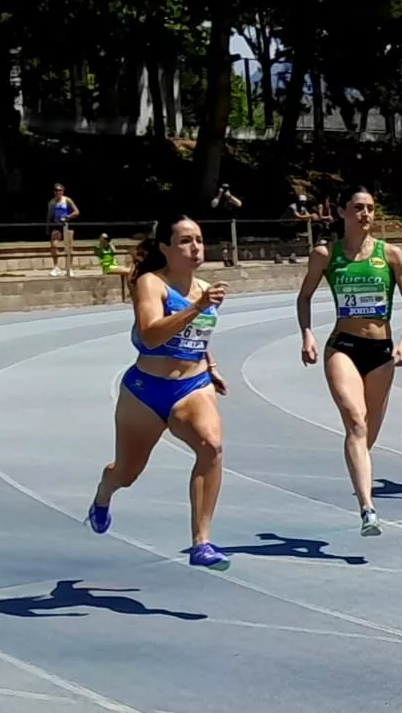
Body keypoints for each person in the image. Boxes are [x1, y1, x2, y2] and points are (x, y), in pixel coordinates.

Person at [86, 216, 232, 570]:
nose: (195, 247)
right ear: (165, 248)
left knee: (211, 446)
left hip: (192, 386)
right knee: (127, 473)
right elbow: (151, 335)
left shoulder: (204, 287)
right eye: (184, 241)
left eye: (198, 239)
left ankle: (202, 543)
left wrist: (210, 367)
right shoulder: (152, 284)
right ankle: (104, 493)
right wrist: (197, 307)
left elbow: (196, 336)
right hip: (145, 392)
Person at [296, 187, 402, 536]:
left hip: (381, 352)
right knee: (355, 422)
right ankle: (368, 509)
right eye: (357, 208)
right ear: (341, 212)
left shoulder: (391, 254)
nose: (365, 214)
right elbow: (304, 296)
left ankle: (359, 473)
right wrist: (307, 334)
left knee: (367, 434)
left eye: (370, 208)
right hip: (343, 347)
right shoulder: (325, 254)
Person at [47, 183, 80, 276]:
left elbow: (77, 211)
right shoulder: (51, 202)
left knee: (69, 247)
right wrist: (48, 226)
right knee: (54, 245)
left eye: (60, 190)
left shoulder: (67, 200)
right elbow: (49, 216)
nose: (58, 192)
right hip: (56, 225)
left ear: (63, 191)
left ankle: (69, 268)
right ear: (54, 192)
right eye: (56, 190)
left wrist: (68, 216)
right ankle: (56, 267)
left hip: (66, 225)